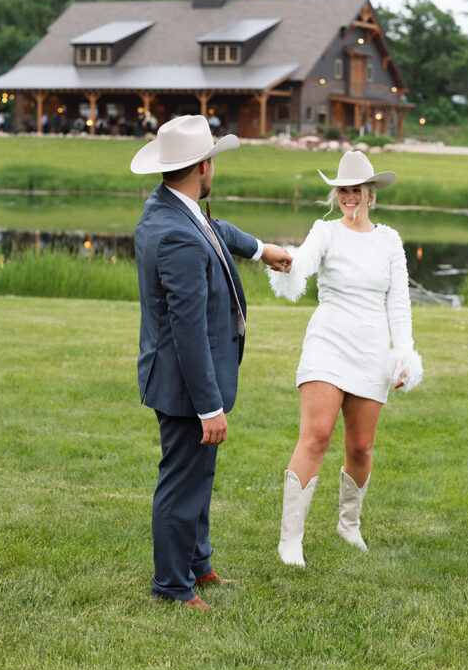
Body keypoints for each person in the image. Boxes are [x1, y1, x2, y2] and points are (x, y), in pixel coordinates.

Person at [131, 115, 292, 609]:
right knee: (181, 481)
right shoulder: (176, 232)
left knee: (199, 475)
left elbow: (217, 229)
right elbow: (188, 329)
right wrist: (209, 407)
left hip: (185, 380)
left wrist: (263, 250)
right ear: (204, 165)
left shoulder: (175, 209)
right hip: (184, 384)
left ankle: (198, 566)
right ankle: (172, 587)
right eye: (213, 161)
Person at [267, 150, 423, 567]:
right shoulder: (325, 232)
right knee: (316, 436)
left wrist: (403, 353)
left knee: (362, 446)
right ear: (336, 194)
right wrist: (287, 266)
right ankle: (290, 540)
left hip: (372, 349)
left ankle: (348, 525)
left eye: (356, 190)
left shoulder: (389, 240)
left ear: (370, 193)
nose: (349, 197)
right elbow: (301, 264)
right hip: (328, 342)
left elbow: (399, 303)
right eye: (342, 190)